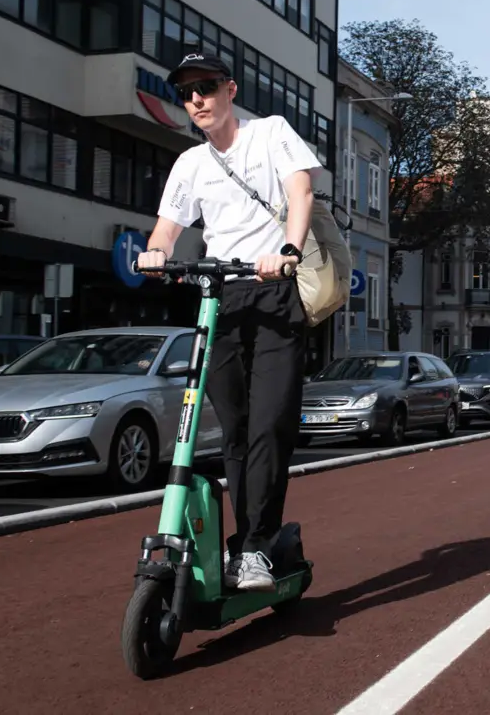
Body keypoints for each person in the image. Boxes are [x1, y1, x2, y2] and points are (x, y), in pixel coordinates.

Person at [136, 52, 319, 592]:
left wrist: (288, 248)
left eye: (207, 87)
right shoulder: (190, 164)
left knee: (269, 425)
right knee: (233, 430)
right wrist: (154, 251)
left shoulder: (271, 134)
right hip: (219, 300)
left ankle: (258, 547)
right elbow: (167, 228)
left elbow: (300, 190)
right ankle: (244, 544)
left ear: (230, 90)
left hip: (274, 292)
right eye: (186, 92)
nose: (197, 99)